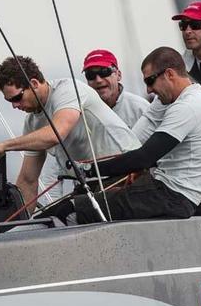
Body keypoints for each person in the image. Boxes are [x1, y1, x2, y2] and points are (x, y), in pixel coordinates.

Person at [44, 47, 201, 224]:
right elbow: (136, 139)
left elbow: (144, 158)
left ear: (169, 74)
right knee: (81, 200)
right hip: (167, 188)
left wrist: (88, 169)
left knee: (70, 211)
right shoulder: (183, 96)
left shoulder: (187, 106)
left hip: (171, 195)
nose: (149, 90)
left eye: (150, 81)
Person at [0, 55, 139, 208]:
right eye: (9, 101)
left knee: (66, 216)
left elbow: (55, 134)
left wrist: (4, 146)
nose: (14, 106)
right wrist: (17, 227)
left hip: (128, 175)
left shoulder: (67, 91)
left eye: (17, 98)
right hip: (93, 185)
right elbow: (28, 180)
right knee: (49, 220)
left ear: (34, 83)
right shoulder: (32, 122)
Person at [39, 49, 150, 202]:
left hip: (134, 191)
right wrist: (52, 206)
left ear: (118, 74)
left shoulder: (140, 108)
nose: (98, 79)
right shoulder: (72, 113)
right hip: (90, 193)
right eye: (91, 75)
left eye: (104, 72)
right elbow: (54, 167)